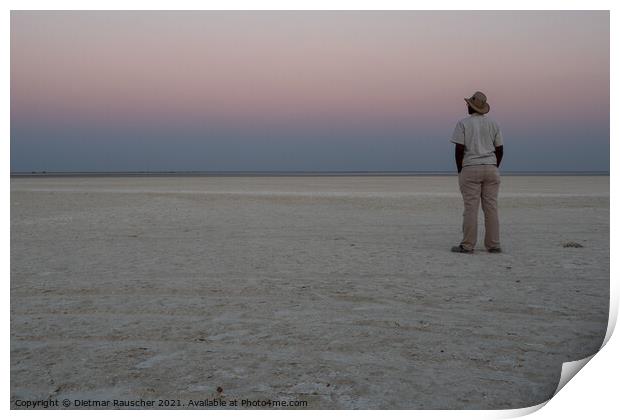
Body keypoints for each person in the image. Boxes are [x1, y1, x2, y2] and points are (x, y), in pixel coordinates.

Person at [450, 91, 504, 254]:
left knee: (471, 208)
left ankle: (467, 245)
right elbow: (500, 149)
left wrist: (460, 169)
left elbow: (459, 149)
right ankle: (494, 245)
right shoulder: (494, 124)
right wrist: (494, 166)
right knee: (491, 208)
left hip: (471, 168)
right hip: (491, 167)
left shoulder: (463, 123)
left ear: (471, 107)